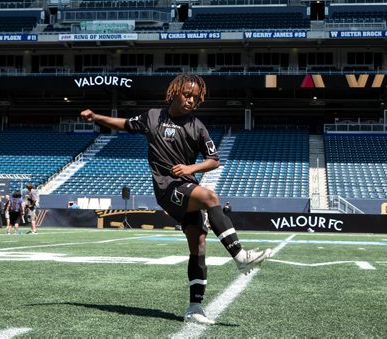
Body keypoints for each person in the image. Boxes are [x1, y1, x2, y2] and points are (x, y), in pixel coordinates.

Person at [80, 74, 271, 325]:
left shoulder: (197, 126)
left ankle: (194, 308)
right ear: (175, 93)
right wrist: (97, 118)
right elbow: (124, 123)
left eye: (195, 97)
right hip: (166, 187)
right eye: (187, 95)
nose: (191, 100)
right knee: (210, 196)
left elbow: (214, 160)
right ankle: (240, 257)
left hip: (186, 185)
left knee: (199, 244)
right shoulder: (152, 117)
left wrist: (191, 169)